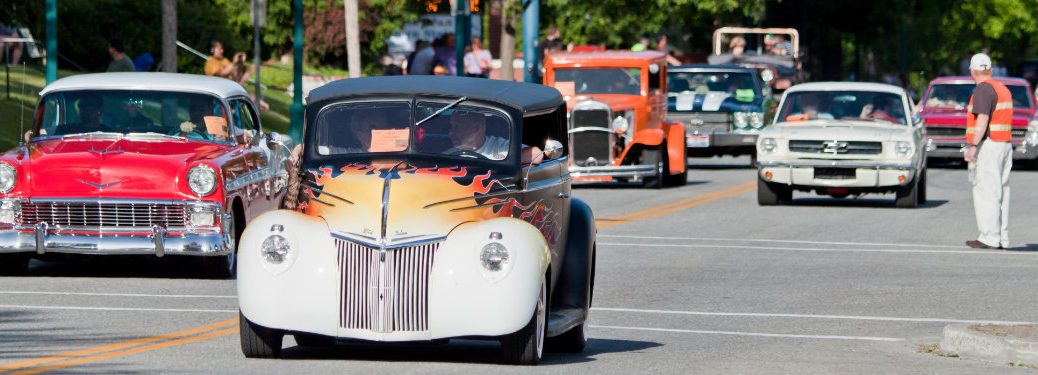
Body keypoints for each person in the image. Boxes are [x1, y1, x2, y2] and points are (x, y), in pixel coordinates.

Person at [963, 53, 1013, 249]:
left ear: (973, 71)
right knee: (1002, 191)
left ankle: (989, 237)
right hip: (1004, 144)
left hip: (990, 145)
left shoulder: (983, 90)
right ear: (989, 69)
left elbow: (982, 120)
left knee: (987, 191)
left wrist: (973, 145)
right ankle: (1002, 237)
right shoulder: (1002, 89)